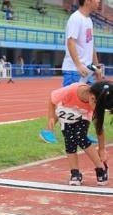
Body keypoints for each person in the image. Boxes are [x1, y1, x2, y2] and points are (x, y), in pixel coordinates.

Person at [40, 0, 102, 144]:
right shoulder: (76, 18)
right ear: (88, 1)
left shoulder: (88, 20)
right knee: (66, 103)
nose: (99, 1)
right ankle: (47, 131)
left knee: (87, 103)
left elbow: (91, 45)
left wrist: (97, 65)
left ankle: (82, 134)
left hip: (87, 70)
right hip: (75, 70)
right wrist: (78, 64)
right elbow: (70, 42)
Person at [45, 80, 111, 186]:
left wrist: (102, 149)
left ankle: (101, 168)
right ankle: (75, 173)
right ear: (93, 98)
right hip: (67, 109)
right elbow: (52, 99)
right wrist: (51, 117)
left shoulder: (95, 103)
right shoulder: (71, 90)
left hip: (84, 114)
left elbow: (99, 128)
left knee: (80, 136)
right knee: (70, 140)